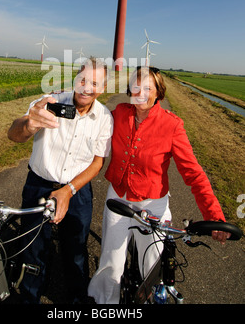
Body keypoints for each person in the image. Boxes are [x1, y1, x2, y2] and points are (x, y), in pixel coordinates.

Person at [88, 66, 229, 304]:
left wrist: (214, 215)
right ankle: (104, 302)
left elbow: (193, 173)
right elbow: (89, 122)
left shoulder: (172, 125)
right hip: (118, 199)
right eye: (136, 86)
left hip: (152, 203)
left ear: (158, 93)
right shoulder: (119, 113)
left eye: (147, 88)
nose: (140, 92)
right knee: (111, 263)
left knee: (151, 267)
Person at [7, 58, 113, 304]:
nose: (87, 87)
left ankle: (76, 298)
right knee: (32, 246)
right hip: (39, 184)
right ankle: (30, 296)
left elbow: (97, 163)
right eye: (83, 79)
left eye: (95, 83)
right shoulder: (50, 102)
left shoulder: (105, 118)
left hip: (77, 190)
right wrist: (29, 124)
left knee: (76, 248)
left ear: (103, 88)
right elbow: (14, 134)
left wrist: (69, 190)